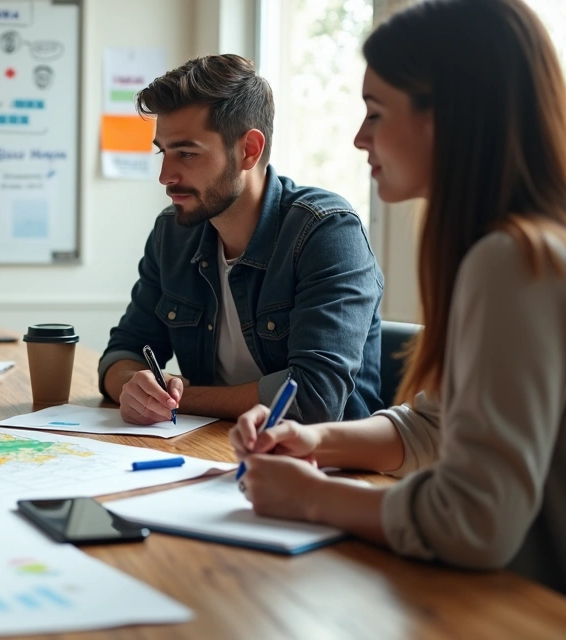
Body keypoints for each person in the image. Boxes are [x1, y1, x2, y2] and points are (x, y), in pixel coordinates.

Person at [231, 0, 566, 594]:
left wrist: (313, 498)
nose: (360, 137)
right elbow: (436, 426)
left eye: (376, 113)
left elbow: (474, 519)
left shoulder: (512, 261)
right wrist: (316, 440)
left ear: (448, 117)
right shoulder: (515, 248)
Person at [100, 54, 384, 424]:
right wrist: (134, 386)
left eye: (186, 153)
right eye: (163, 152)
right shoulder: (173, 233)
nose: (165, 176)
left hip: (319, 456)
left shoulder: (327, 232)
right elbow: (121, 353)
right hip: (210, 446)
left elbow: (314, 398)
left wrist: (179, 399)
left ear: (249, 150)